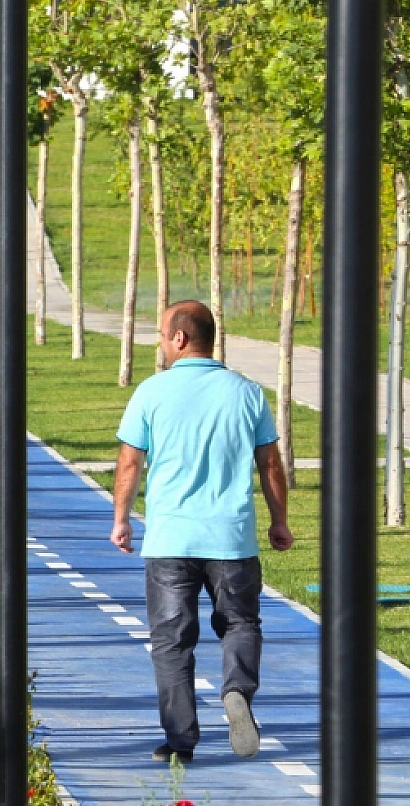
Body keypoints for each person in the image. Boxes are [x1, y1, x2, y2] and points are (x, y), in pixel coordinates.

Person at [112, 300, 292, 763]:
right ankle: (237, 691)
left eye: (161, 335)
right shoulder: (247, 392)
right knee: (240, 623)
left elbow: (130, 461)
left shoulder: (151, 393)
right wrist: (278, 520)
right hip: (231, 539)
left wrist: (122, 518)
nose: (159, 343)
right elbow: (269, 462)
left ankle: (180, 742)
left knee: (171, 641)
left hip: (171, 539)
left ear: (179, 338)